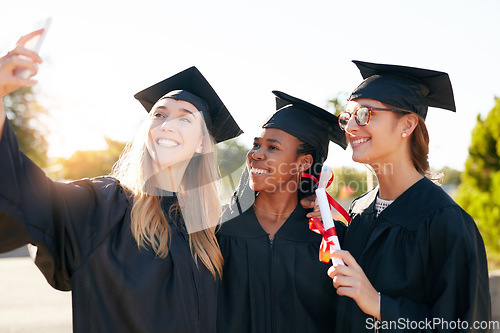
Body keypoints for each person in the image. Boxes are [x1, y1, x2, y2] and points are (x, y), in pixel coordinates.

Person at [0, 29, 242, 333]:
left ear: (202, 144)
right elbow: (25, 192)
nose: (167, 125)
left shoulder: (208, 229)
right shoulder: (105, 206)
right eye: (159, 115)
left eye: (184, 117)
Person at [321, 60, 491, 331]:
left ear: (407, 124)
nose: (350, 127)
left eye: (365, 114)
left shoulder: (445, 223)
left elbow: (465, 325)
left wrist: (378, 304)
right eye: (347, 117)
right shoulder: (360, 210)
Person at [216, 90, 347, 333]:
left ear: (304, 162)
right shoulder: (220, 227)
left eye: (272, 147)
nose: (256, 154)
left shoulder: (329, 239)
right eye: (256, 145)